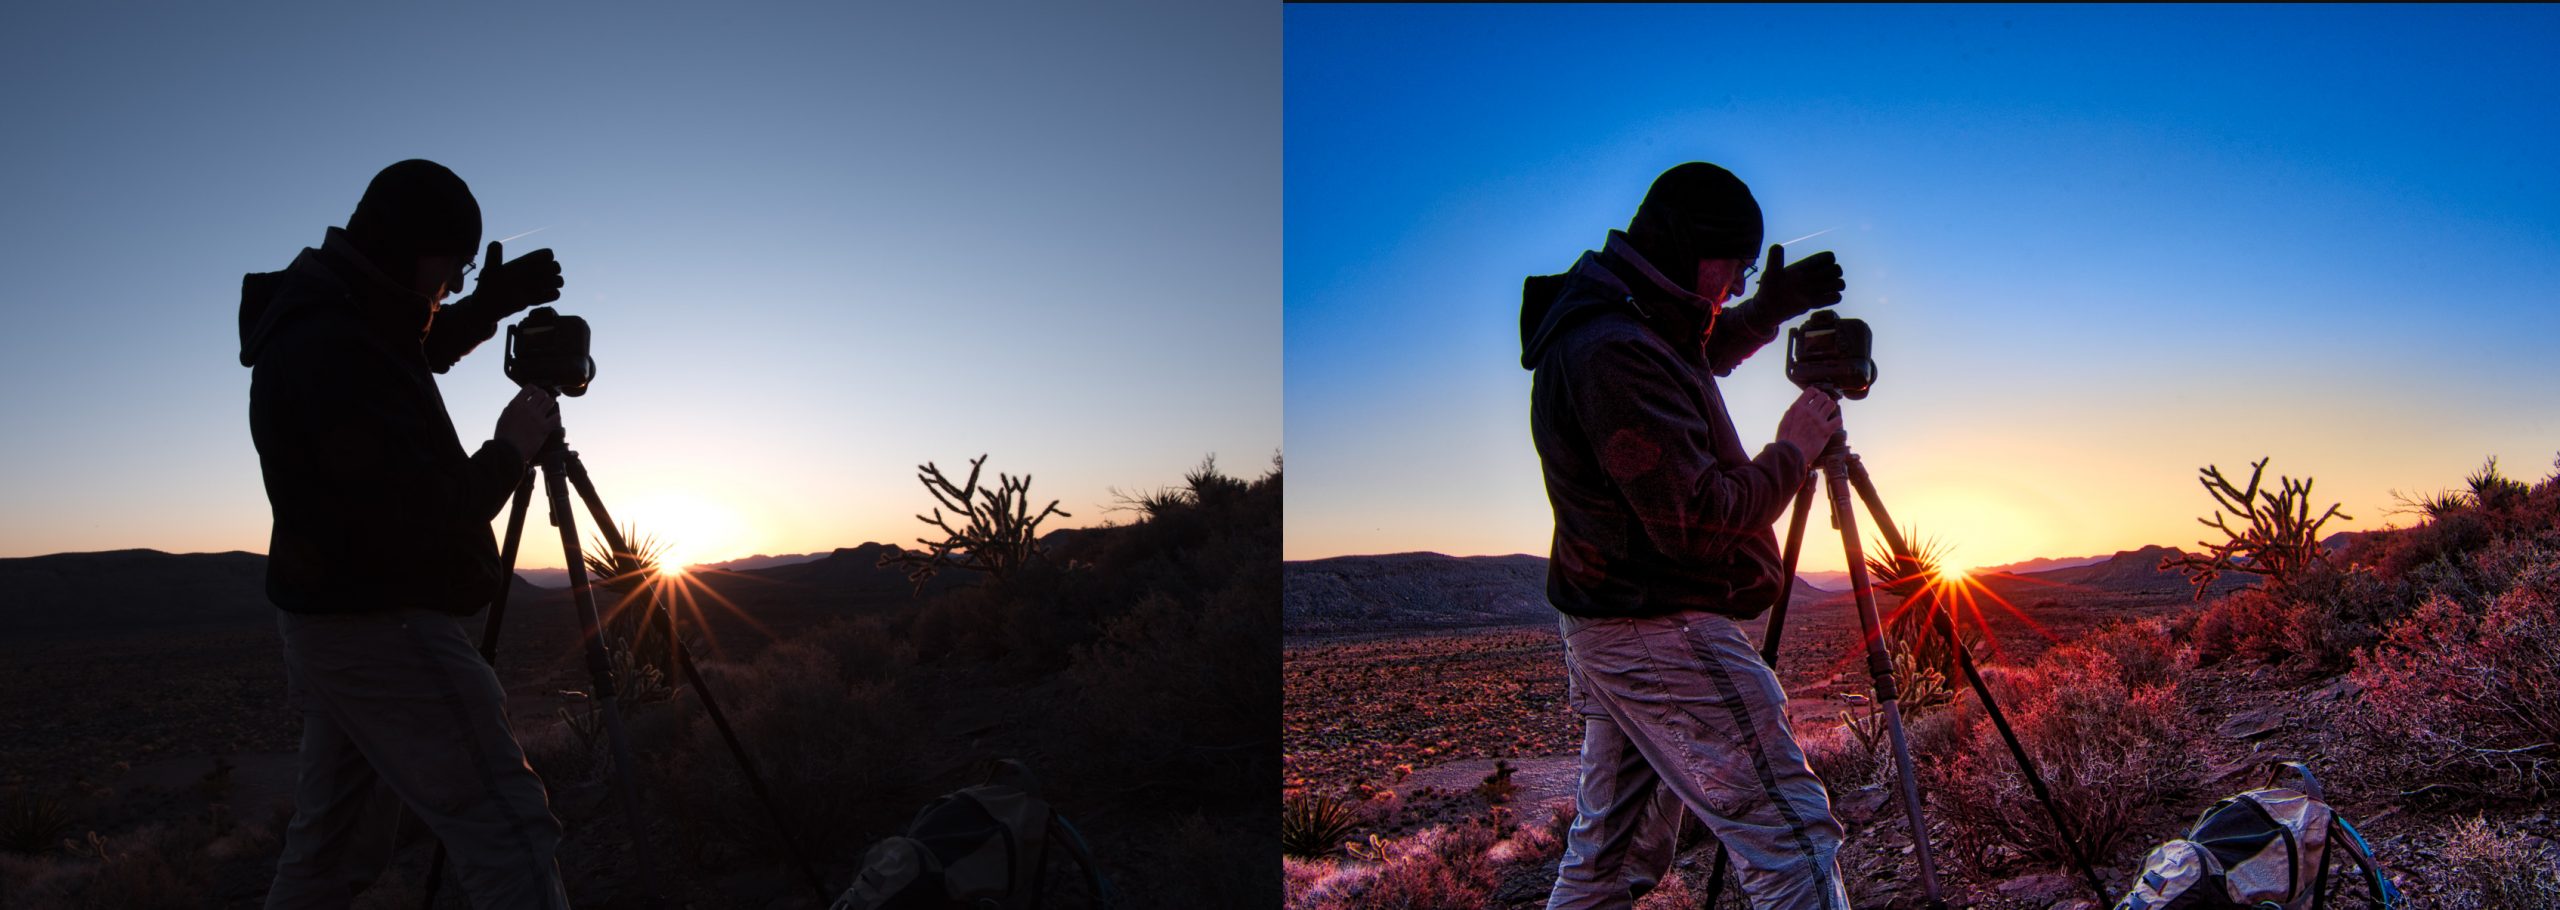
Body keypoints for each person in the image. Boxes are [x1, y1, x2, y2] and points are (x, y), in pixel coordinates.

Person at [238, 159, 571, 908]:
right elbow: (429, 511)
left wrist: (489, 303)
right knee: (509, 828)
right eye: (450, 268)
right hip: (380, 622)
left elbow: (411, 348)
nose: (448, 287)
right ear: (409, 244)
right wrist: (510, 449)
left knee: (333, 853)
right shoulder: (329, 343)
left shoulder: (334, 310)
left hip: (330, 618)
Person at [1518, 161, 1852, 909]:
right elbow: (1696, 522)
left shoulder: (1627, 317)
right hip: (1657, 626)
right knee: (1791, 835)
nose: (1732, 286)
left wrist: (1767, 309)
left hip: (1617, 620)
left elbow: (1692, 354)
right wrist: (1792, 451)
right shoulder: (1611, 348)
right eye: (1732, 266)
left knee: (1613, 858)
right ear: (1688, 244)